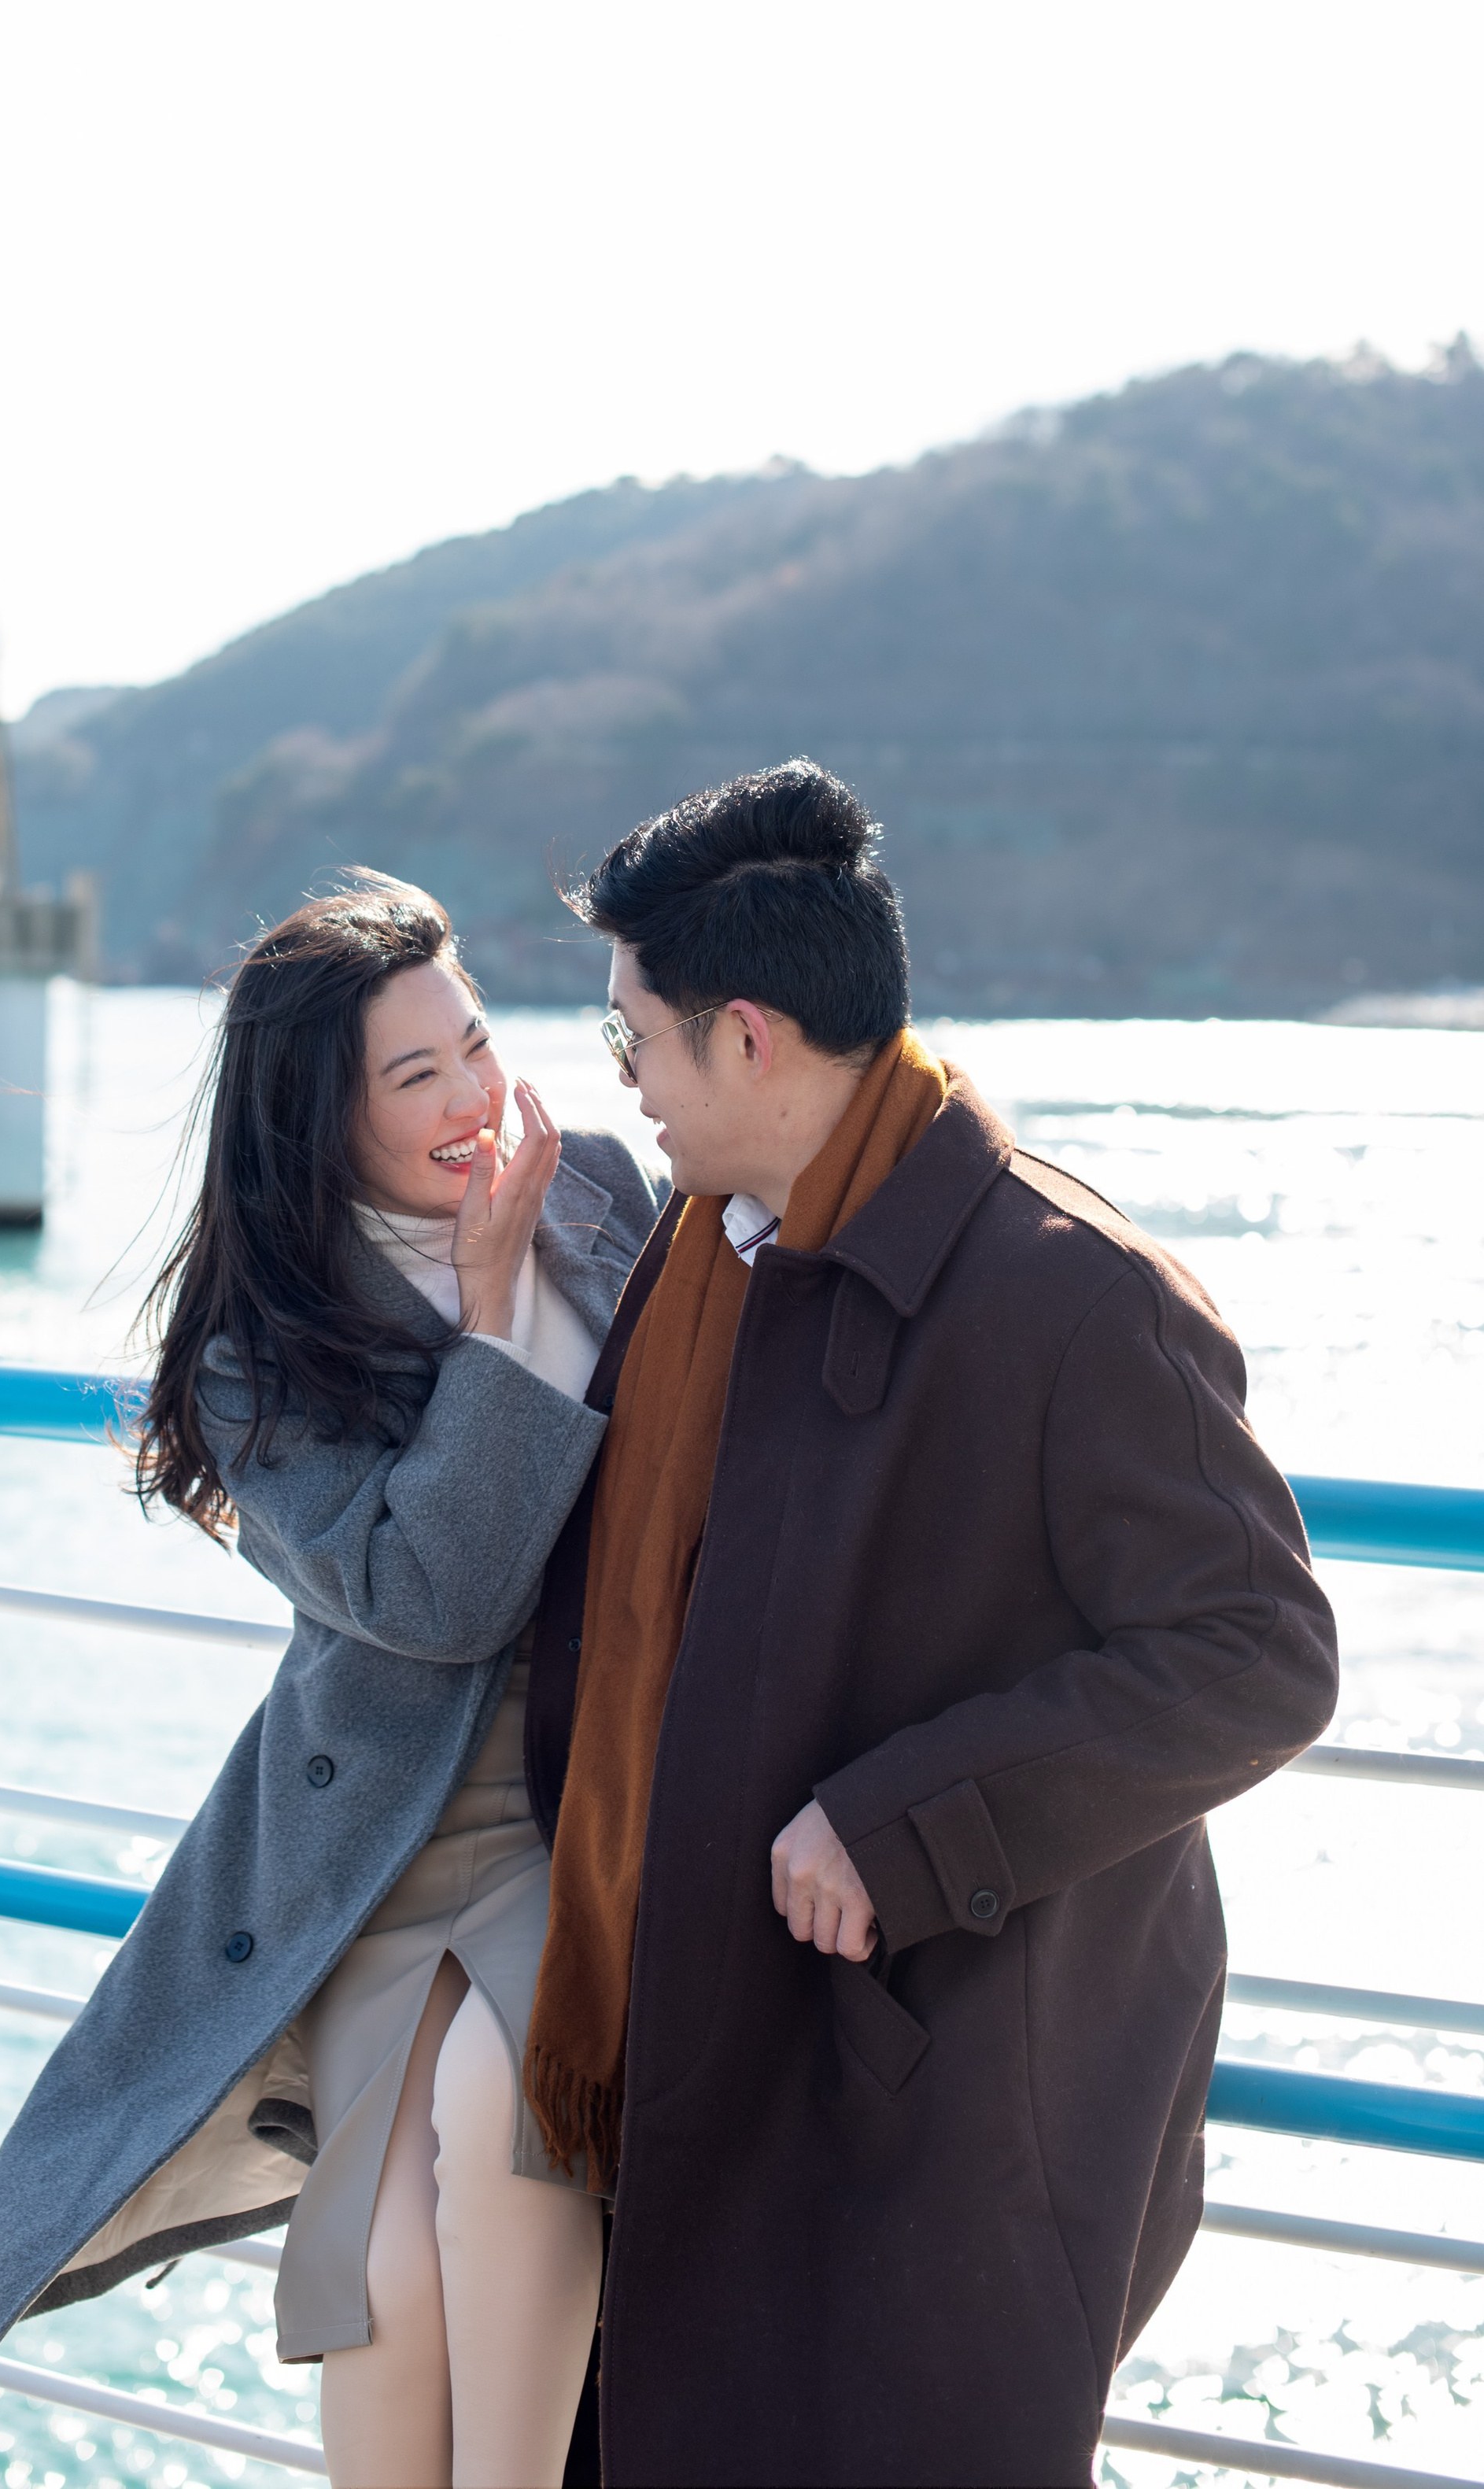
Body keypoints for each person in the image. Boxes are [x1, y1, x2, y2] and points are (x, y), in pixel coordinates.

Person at [519, 762, 1340, 2489]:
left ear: (744, 1037)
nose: (625, 1090)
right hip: (732, 2041)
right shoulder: (711, 1249)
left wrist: (905, 1824)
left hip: (951, 2085)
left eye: (633, 1046)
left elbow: (1254, 1651)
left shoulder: (1065, 1290)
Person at [0, 873, 663, 2489]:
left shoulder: (599, 1190)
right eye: (415, 1077)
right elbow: (431, 1597)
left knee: (507, 2136)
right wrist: (486, 1314)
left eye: (471, 1042)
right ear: (316, 1121)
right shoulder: (255, 1341)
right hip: (384, 1844)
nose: (472, 1098)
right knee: (380, 2271)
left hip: (582, 1810)